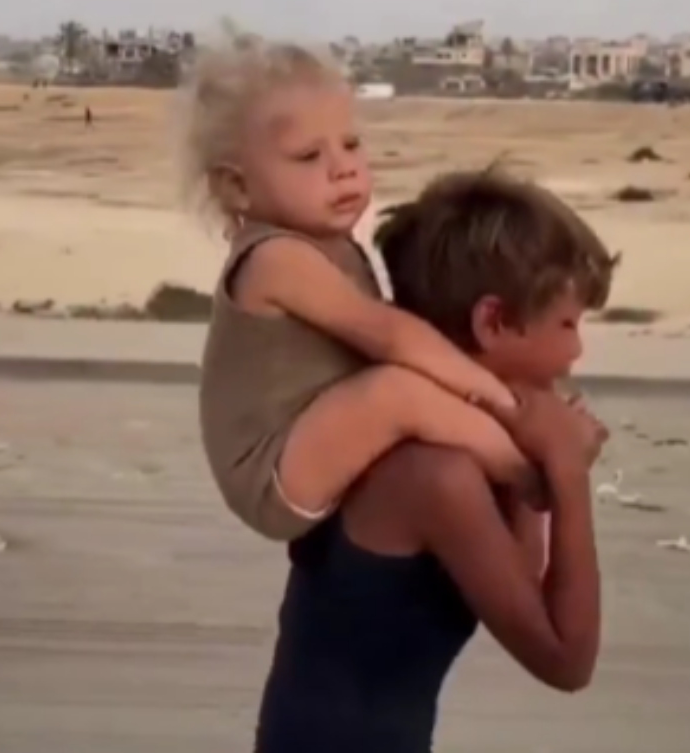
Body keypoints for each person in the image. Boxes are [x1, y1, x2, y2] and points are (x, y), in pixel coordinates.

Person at [254, 168, 618, 753]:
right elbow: (566, 660)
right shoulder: (431, 474)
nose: (577, 349)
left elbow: (517, 582)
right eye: (568, 324)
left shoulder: (456, 446)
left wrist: (535, 458)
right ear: (492, 322)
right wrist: (569, 472)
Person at [183, 35, 533, 542]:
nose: (342, 167)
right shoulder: (275, 258)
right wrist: (501, 402)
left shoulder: (335, 246)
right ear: (237, 186)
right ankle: (526, 469)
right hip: (273, 468)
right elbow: (389, 334)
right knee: (397, 393)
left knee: (409, 384)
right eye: (308, 156)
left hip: (316, 434)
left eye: (350, 144)